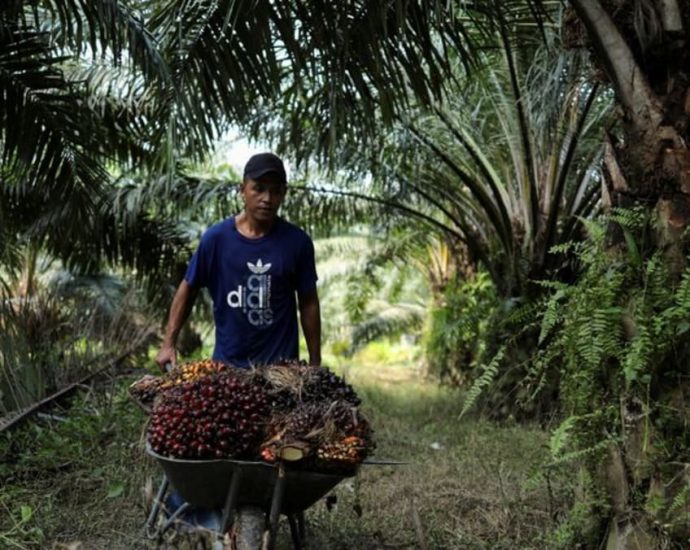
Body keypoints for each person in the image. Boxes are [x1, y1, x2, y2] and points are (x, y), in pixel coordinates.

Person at [155, 151, 321, 371]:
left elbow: (308, 302)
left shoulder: (297, 243)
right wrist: (168, 343)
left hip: (282, 372)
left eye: (275, 191)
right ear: (243, 190)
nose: (267, 199)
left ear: (284, 194)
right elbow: (189, 287)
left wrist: (315, 362)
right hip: (227, 370)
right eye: (259, 188)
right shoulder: (216, 239)